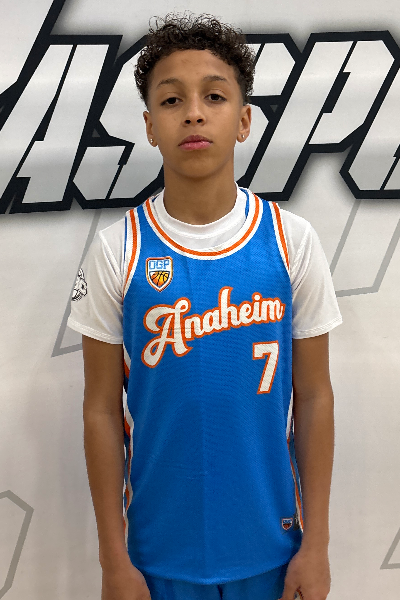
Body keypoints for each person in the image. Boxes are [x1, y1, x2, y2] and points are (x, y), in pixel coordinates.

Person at [67, 12, 342, 600]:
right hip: (156, 554)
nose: (193, 113)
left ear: (243, 120)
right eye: (172, 100)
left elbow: (315, 397)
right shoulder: (119, 249)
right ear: (149, 126)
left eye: (214, 96)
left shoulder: (291, 241)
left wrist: (316, 545)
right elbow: (100, 411)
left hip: (272, 547)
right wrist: (112, 559)